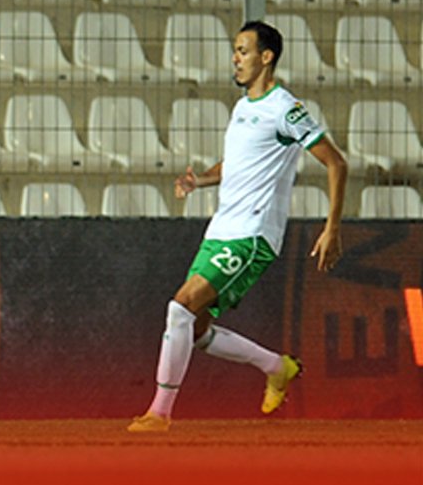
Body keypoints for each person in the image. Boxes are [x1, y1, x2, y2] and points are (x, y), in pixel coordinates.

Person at [128, 21, 347, 433]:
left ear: (267, 57)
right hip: (221, 230)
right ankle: (276, 367)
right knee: (193, 329)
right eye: (235, 50)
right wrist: (201, 181)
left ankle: (158, 414)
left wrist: (331, 228)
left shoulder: (285, 108)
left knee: (179, 308)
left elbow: (336, 162)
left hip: (252, 235)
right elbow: (239, 164)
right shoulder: (244, 107)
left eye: (243, 50)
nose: (235, 58)